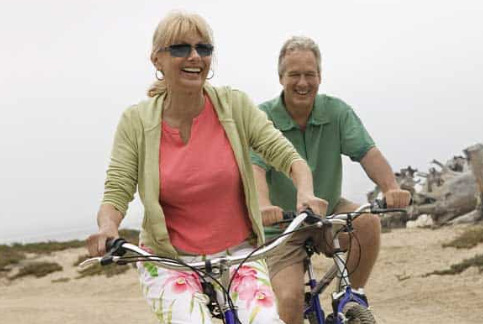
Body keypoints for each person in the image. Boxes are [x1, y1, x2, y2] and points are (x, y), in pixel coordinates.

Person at [85, 14, 326, 324]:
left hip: (240, 253)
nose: (194, 56)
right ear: (157, 58)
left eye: (204, 48)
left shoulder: (233, 105)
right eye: (180, 48)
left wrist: (305, 192)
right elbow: (117, 191)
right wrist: (108, 228)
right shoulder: (136, 121)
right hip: (169, 260)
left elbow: (289, 158)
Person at [250, 36, 412, 324]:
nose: (303, 83)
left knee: (367, 222)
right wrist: (263, 206)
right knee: (289, 301)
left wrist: (391, 187)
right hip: (281, 226)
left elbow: (367, 153)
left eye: (309, 75)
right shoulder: (263, 117)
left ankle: (349, 298)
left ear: (320, 77)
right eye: (294, 75)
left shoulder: (336, 111)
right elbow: (255, 169)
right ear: (280, 78)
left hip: (327, 212)